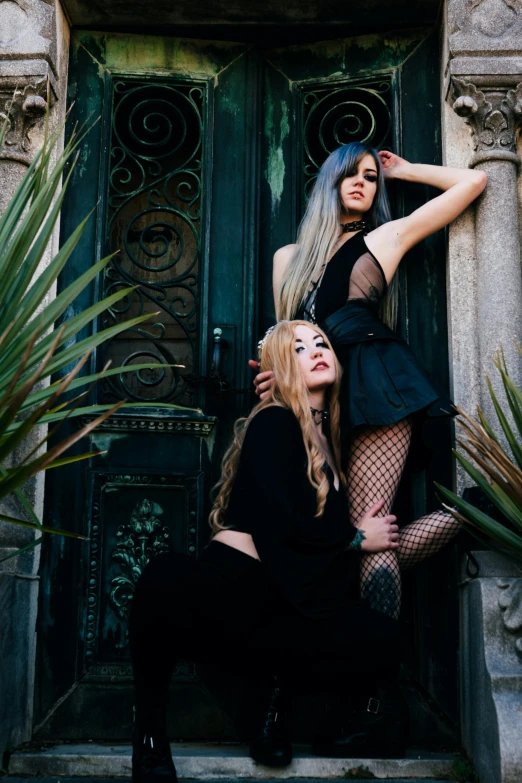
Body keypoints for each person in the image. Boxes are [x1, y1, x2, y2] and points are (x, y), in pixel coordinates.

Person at [129, 320, 407, 783]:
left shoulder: (327, 442)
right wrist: (357, 540)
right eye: (299, 349)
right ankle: (150, 740)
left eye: (322, 343)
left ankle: (276, 713)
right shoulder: (274, 420)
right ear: (278, 370)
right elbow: (281, 522)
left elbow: (309, 549)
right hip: (233, 586)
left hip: (279, 599)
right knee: (163, 576)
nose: (317, 350)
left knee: (377, 633)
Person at [252, 143, 487, 619]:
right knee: (349, 539)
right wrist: (274, 374)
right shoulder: (288, 258)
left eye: (370, 176)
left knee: (367, 527)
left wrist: (403, 170)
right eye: (350, 174)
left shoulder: (384, 238)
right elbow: (284, 334)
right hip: (316, 400)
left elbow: (474, 183)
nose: (362, 181)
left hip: (377, 384)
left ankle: (370, 684)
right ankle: (476, 511)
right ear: (328, 183)